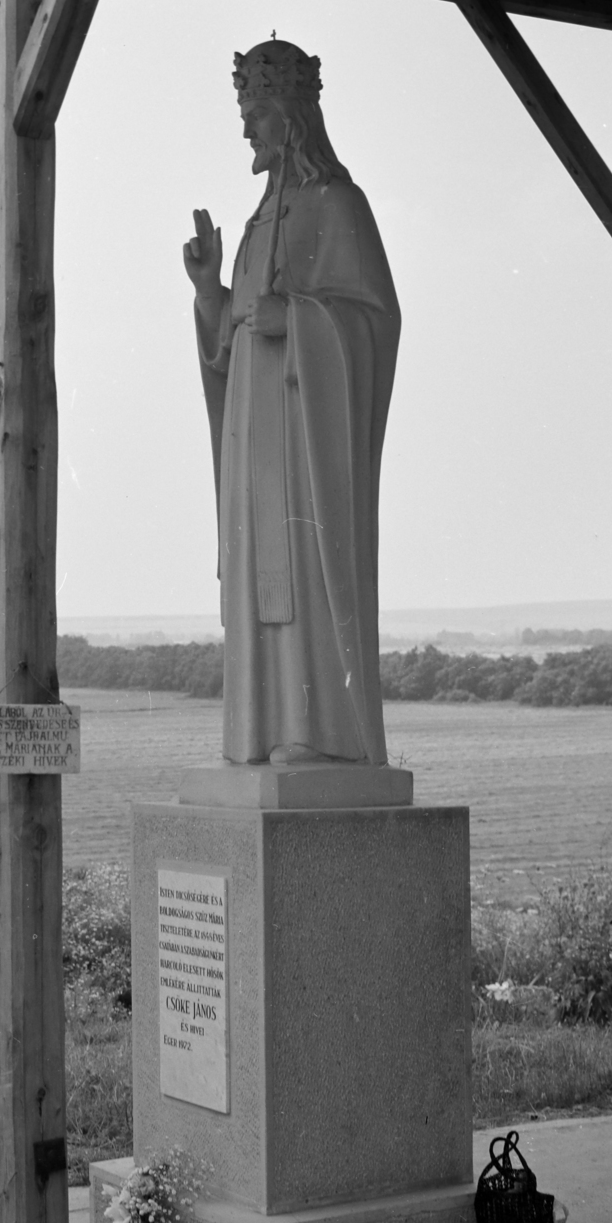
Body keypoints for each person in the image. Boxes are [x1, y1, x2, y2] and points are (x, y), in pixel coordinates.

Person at [184, 39, 400, 766]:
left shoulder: (338, 204)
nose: (246, 129)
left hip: (305, 436)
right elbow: (229, 346)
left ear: (292, 114)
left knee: (304, 576)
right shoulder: (253, 222)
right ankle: (260, 728)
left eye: (256, 112)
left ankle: (314, 733)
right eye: (244, 113)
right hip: (254, 433)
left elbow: (373, 319)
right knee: (257, 579)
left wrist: (300, 319)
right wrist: (211, 292)